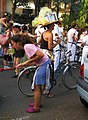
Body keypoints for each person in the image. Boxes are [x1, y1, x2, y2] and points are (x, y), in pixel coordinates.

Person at [10, 34, 51, 113]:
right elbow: (35, 59)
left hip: (44, 65)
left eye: (13, 44)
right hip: (43, 64)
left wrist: (27, 62)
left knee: (37, 87)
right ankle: (38, 103)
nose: (13, 46)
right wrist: (24, 64)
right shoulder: (27, 46)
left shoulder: (27, 46)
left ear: (19, 43)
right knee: (37, 86)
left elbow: (41, 55)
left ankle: (36, 107)